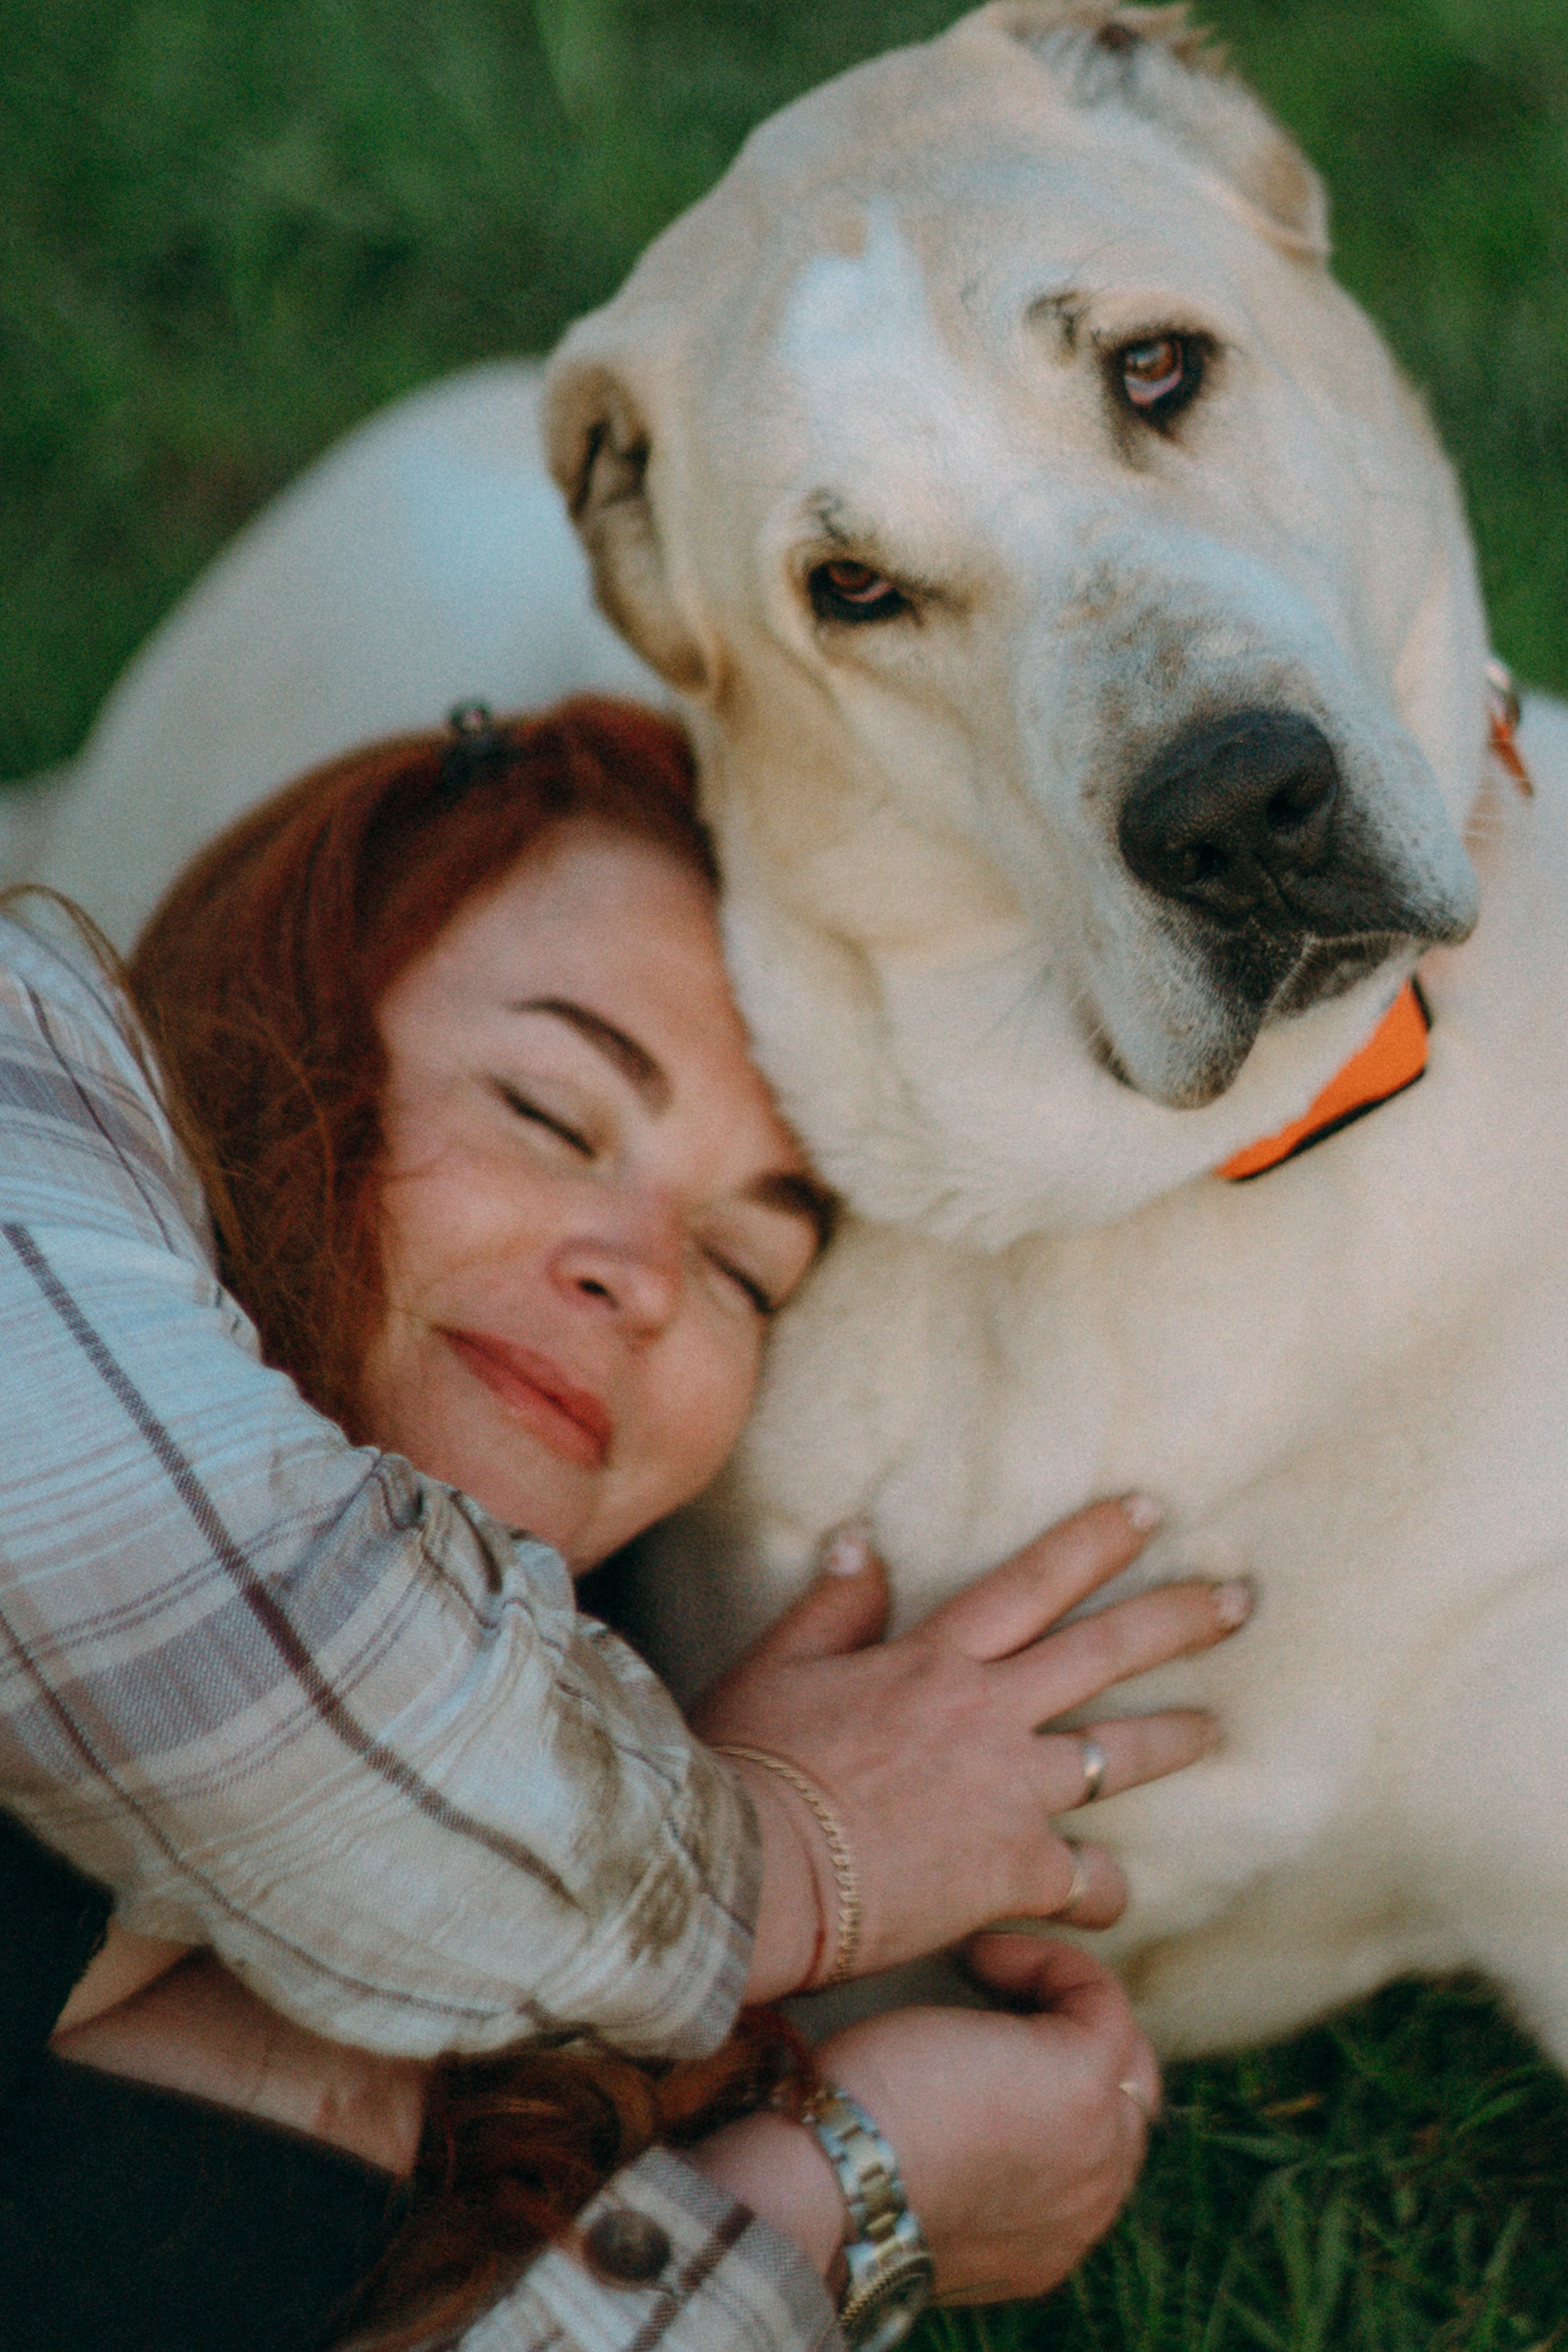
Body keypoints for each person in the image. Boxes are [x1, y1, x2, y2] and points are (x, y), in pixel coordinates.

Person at [0, 699, 1250, 2351]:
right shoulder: (40, 1086)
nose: (647, 1277)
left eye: (748, 1269)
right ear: (276, 1014)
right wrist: (784, 1852)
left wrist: (820, 2194)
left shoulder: (381, 2054)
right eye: (550, 1111)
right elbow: (228, 1654)